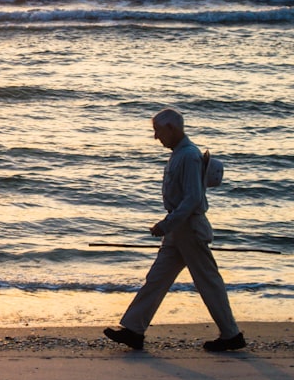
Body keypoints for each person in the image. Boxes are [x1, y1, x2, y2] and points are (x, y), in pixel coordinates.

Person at [104, 108, 246, 352]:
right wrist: (169, 226)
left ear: (172, 128)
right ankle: (134, 330)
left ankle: (231, 335)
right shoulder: (180, 154)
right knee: (157, 279)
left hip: (188, 229)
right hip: (179, 230)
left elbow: (192, 199)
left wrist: (166, 225)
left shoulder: (189, 156)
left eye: (158, 131)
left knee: (208, 281)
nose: (156, 137)